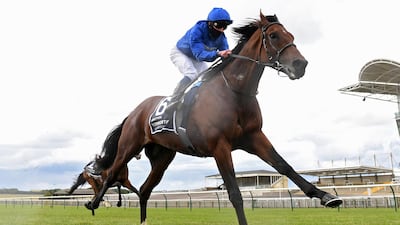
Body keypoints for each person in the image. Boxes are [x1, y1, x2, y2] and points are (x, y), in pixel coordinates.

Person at [168, 7, 233, 108]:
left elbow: (226, 55)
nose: (221, 29)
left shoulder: (222, 37)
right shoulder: (197, 30)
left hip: (195, 59)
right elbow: (200, 55)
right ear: (210, 23)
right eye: (219, 25)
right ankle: (173, 100)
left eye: (224, 26)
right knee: (191, 74)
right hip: (180, 53)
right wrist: (218, 54)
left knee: (209, 77)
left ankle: (195, 100)